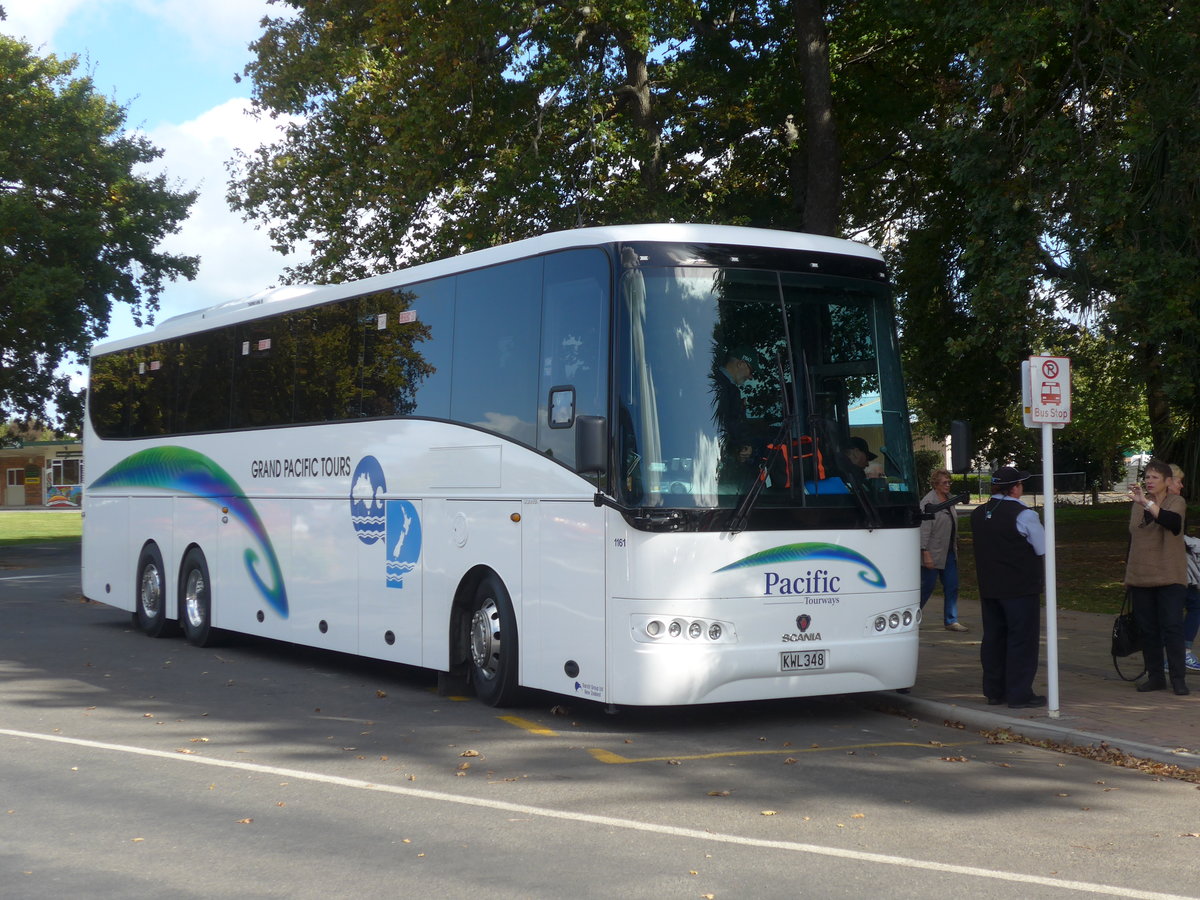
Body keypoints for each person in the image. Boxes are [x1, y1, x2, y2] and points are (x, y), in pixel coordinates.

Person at [970, 466, 1046, 708]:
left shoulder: (978, 513)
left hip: (990, 586)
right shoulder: (1024, 515)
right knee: (1021, 640)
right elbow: (1041, 547)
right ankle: (1018, 693)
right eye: (1021, 484)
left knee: (994, 637)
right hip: (1020, 587)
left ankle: (994, 690)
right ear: (1015, 488)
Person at [1125, 459, 1189, 694]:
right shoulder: (1136, 504)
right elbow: (1134, 538)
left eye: (1155, 478)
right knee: (1148, 629)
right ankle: (1155, 676)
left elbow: (1172, 523)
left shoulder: (1176, 501)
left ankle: (1178, 678)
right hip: (1142, 575)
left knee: (1172, 627)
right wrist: (1129, 573)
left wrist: (1146, 503)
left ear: (1167, 482)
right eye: (1148, 477)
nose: (1149, 481)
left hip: (1170, 575)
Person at [919, 468, 967, 632]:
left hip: (949, 551)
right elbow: (924, 529)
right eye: (945, 482)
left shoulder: (949, 499)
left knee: (952, 586)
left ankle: (951, 620)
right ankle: (911, 617)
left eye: (949, 482)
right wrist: (925, 552)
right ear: (936, 484)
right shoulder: (928, 502)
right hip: (932, 552)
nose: (948, 485)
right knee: (926, 588)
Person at [1167, 466, 1200, 672]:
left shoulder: (1175, 503)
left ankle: (1179, 652)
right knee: (1189, 605)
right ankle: (1181, 653)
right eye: (1178, 481)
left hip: (1178, 566)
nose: (1181, 485)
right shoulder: (1168, 504)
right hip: (1173, 567)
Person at [712, 346, 761, 486]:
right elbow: (727, 424)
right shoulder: (727, 390)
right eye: (751, 371)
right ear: (741, 364)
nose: (751, 377)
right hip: (717, 457)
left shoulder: (712, 382)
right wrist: (742, 445)